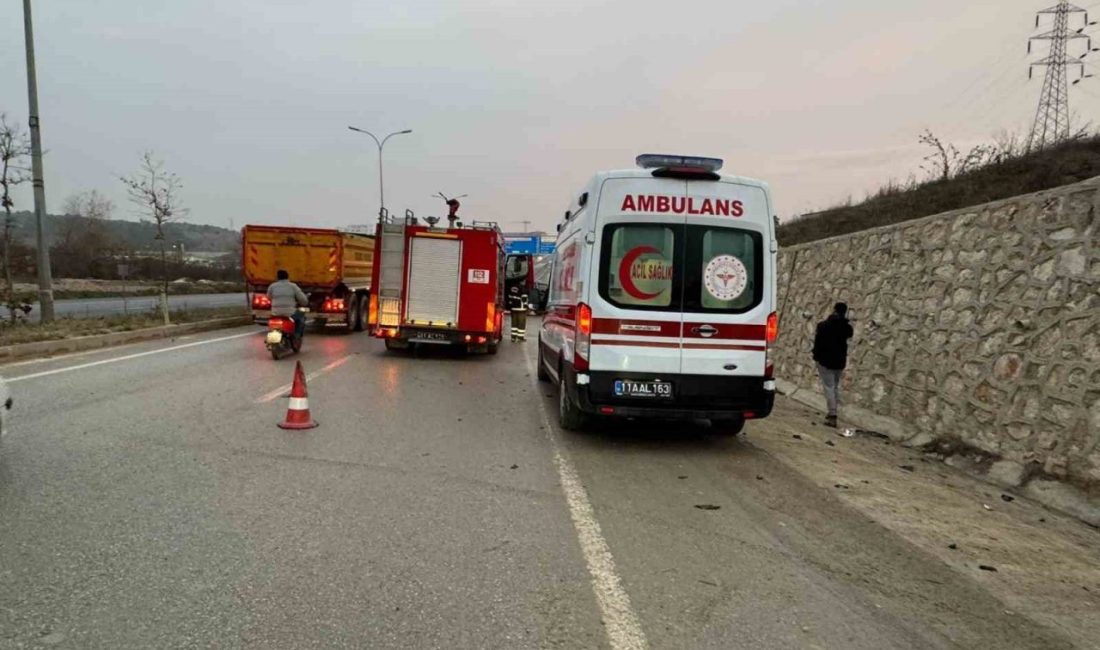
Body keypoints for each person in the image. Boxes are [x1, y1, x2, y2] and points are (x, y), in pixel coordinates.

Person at [812, 302, 854, 428]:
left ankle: (832, 414)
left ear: (834, 310)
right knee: (834, 387)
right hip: (839, 361)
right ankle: (833, 411)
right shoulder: (847, 328)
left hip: (825, 360)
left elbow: (818, 342)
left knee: (829, 387)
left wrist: (816, 356)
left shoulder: (823, 325)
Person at [267, 269, 309, 339]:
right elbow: (303, 300)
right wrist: (304, 302)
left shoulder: (272, 286)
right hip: (290, 314)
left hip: (275, 313)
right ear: (287, 277)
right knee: (301, 316)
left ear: (277, 277)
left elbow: (269, 297)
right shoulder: (293, 286)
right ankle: (297, 335)